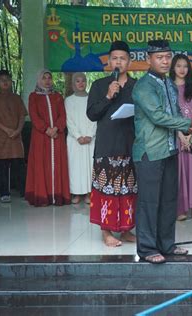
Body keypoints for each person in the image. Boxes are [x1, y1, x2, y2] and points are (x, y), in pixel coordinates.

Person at [132, 40, 192, 264]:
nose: (164, 61)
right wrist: (189, 123)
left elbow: (176, 111)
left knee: (169, 200)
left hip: (170, 149)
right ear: (148, 59)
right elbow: (158, 116)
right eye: (159, 57)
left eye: (167, 57)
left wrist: (187, 134)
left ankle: (166, 244)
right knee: (149, 202)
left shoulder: (169, 83)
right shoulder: (143, 86)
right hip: (150, 152)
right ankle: (148, 248)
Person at [87, 41, 137, 247]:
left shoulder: (137, 86)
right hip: (106, 146)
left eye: (123, 58)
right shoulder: (99, 85)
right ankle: (106, 232)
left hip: (130, 145)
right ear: (109, 61)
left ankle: (126, 231)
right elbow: (91, 114)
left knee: (129, 190)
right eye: (115, 58)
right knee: (105, 190)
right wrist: (108, 96)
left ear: (129, 62)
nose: (119, 61)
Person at [25, 69, 71, 206]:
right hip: (41, 137)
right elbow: (34, 115)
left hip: (57, 136)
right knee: (41, 164)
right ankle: (42, 196)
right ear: (39, 80)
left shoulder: (57, 96)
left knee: (58, 164)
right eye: (44, 78)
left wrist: (56, 128)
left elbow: (63, 115)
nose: (47, 80)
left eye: (49, 77)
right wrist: (46, 129)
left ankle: (57, 196)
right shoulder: (33, 96)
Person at [170, 54, 192, 222]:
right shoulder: (168, 87)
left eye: (185, 66)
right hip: (175, 137)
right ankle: (180, 209)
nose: (182, 69)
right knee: (178, 173)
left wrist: (191, 135)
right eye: (178, 66)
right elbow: (167, 114)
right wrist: (180, 135)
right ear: (173, 68)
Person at [65, 72, 96, 204]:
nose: (80, 83)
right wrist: (78, 136)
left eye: (83, 80)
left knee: (90, 166)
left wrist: (89, 135)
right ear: (73, 84)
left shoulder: (93, 99)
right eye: (77, 81)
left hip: (90, 138)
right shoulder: (68, 100)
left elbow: (95, 118)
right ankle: (77, 193)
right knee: (75, 166)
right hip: (74, 140)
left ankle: (89, 193)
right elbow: (69, 120)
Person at [0, 70, 27, 203]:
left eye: (7, 79)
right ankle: (4, 192)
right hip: (0, 136)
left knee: (19, 164)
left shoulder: (17, 98)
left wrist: (18, 130)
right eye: (2, 80)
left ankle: (24, 191)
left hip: (16, 136)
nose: (5, 82)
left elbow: (22, 116)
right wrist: (6, 129)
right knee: (1, 165)